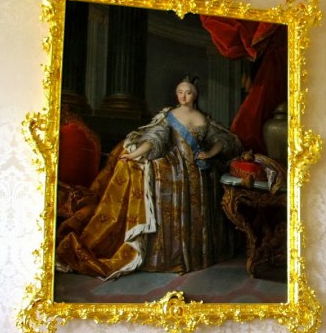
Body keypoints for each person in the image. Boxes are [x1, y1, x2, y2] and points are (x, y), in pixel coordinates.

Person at [55, 75, 242, 279]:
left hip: (198, 170)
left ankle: (195, 257)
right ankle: (169, 257)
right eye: (180, 92)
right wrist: (134, 154)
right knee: (161, 180)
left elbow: (220, 140)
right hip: (174, 164)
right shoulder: (169, 116)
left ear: (194, 95)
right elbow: (155, 139)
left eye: (188, 92)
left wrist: (210, 153)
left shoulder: (203, 118)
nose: (183, 96)